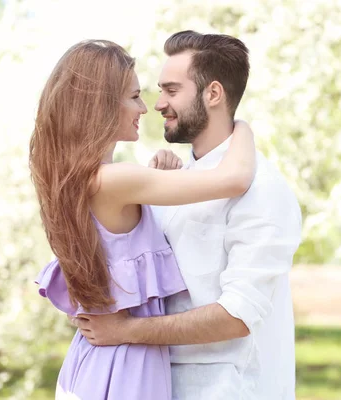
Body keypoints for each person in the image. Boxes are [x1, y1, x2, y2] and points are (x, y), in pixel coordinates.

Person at [74, 31, 302, 399]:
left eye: (171, 90)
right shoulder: (179, 180)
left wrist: (125, 330)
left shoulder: (261, 189)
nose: (157, 104)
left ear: (213, 94)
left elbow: (237, 315)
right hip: (159, 383)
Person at [29, 39, 256, 400]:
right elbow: (235, 179)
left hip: (95, 363)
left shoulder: (83, 178)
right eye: (134, 96)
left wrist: (153, 184)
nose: (145, 107)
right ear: (102, 105)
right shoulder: (115, 180)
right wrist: (239, 124)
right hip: (125, 368)